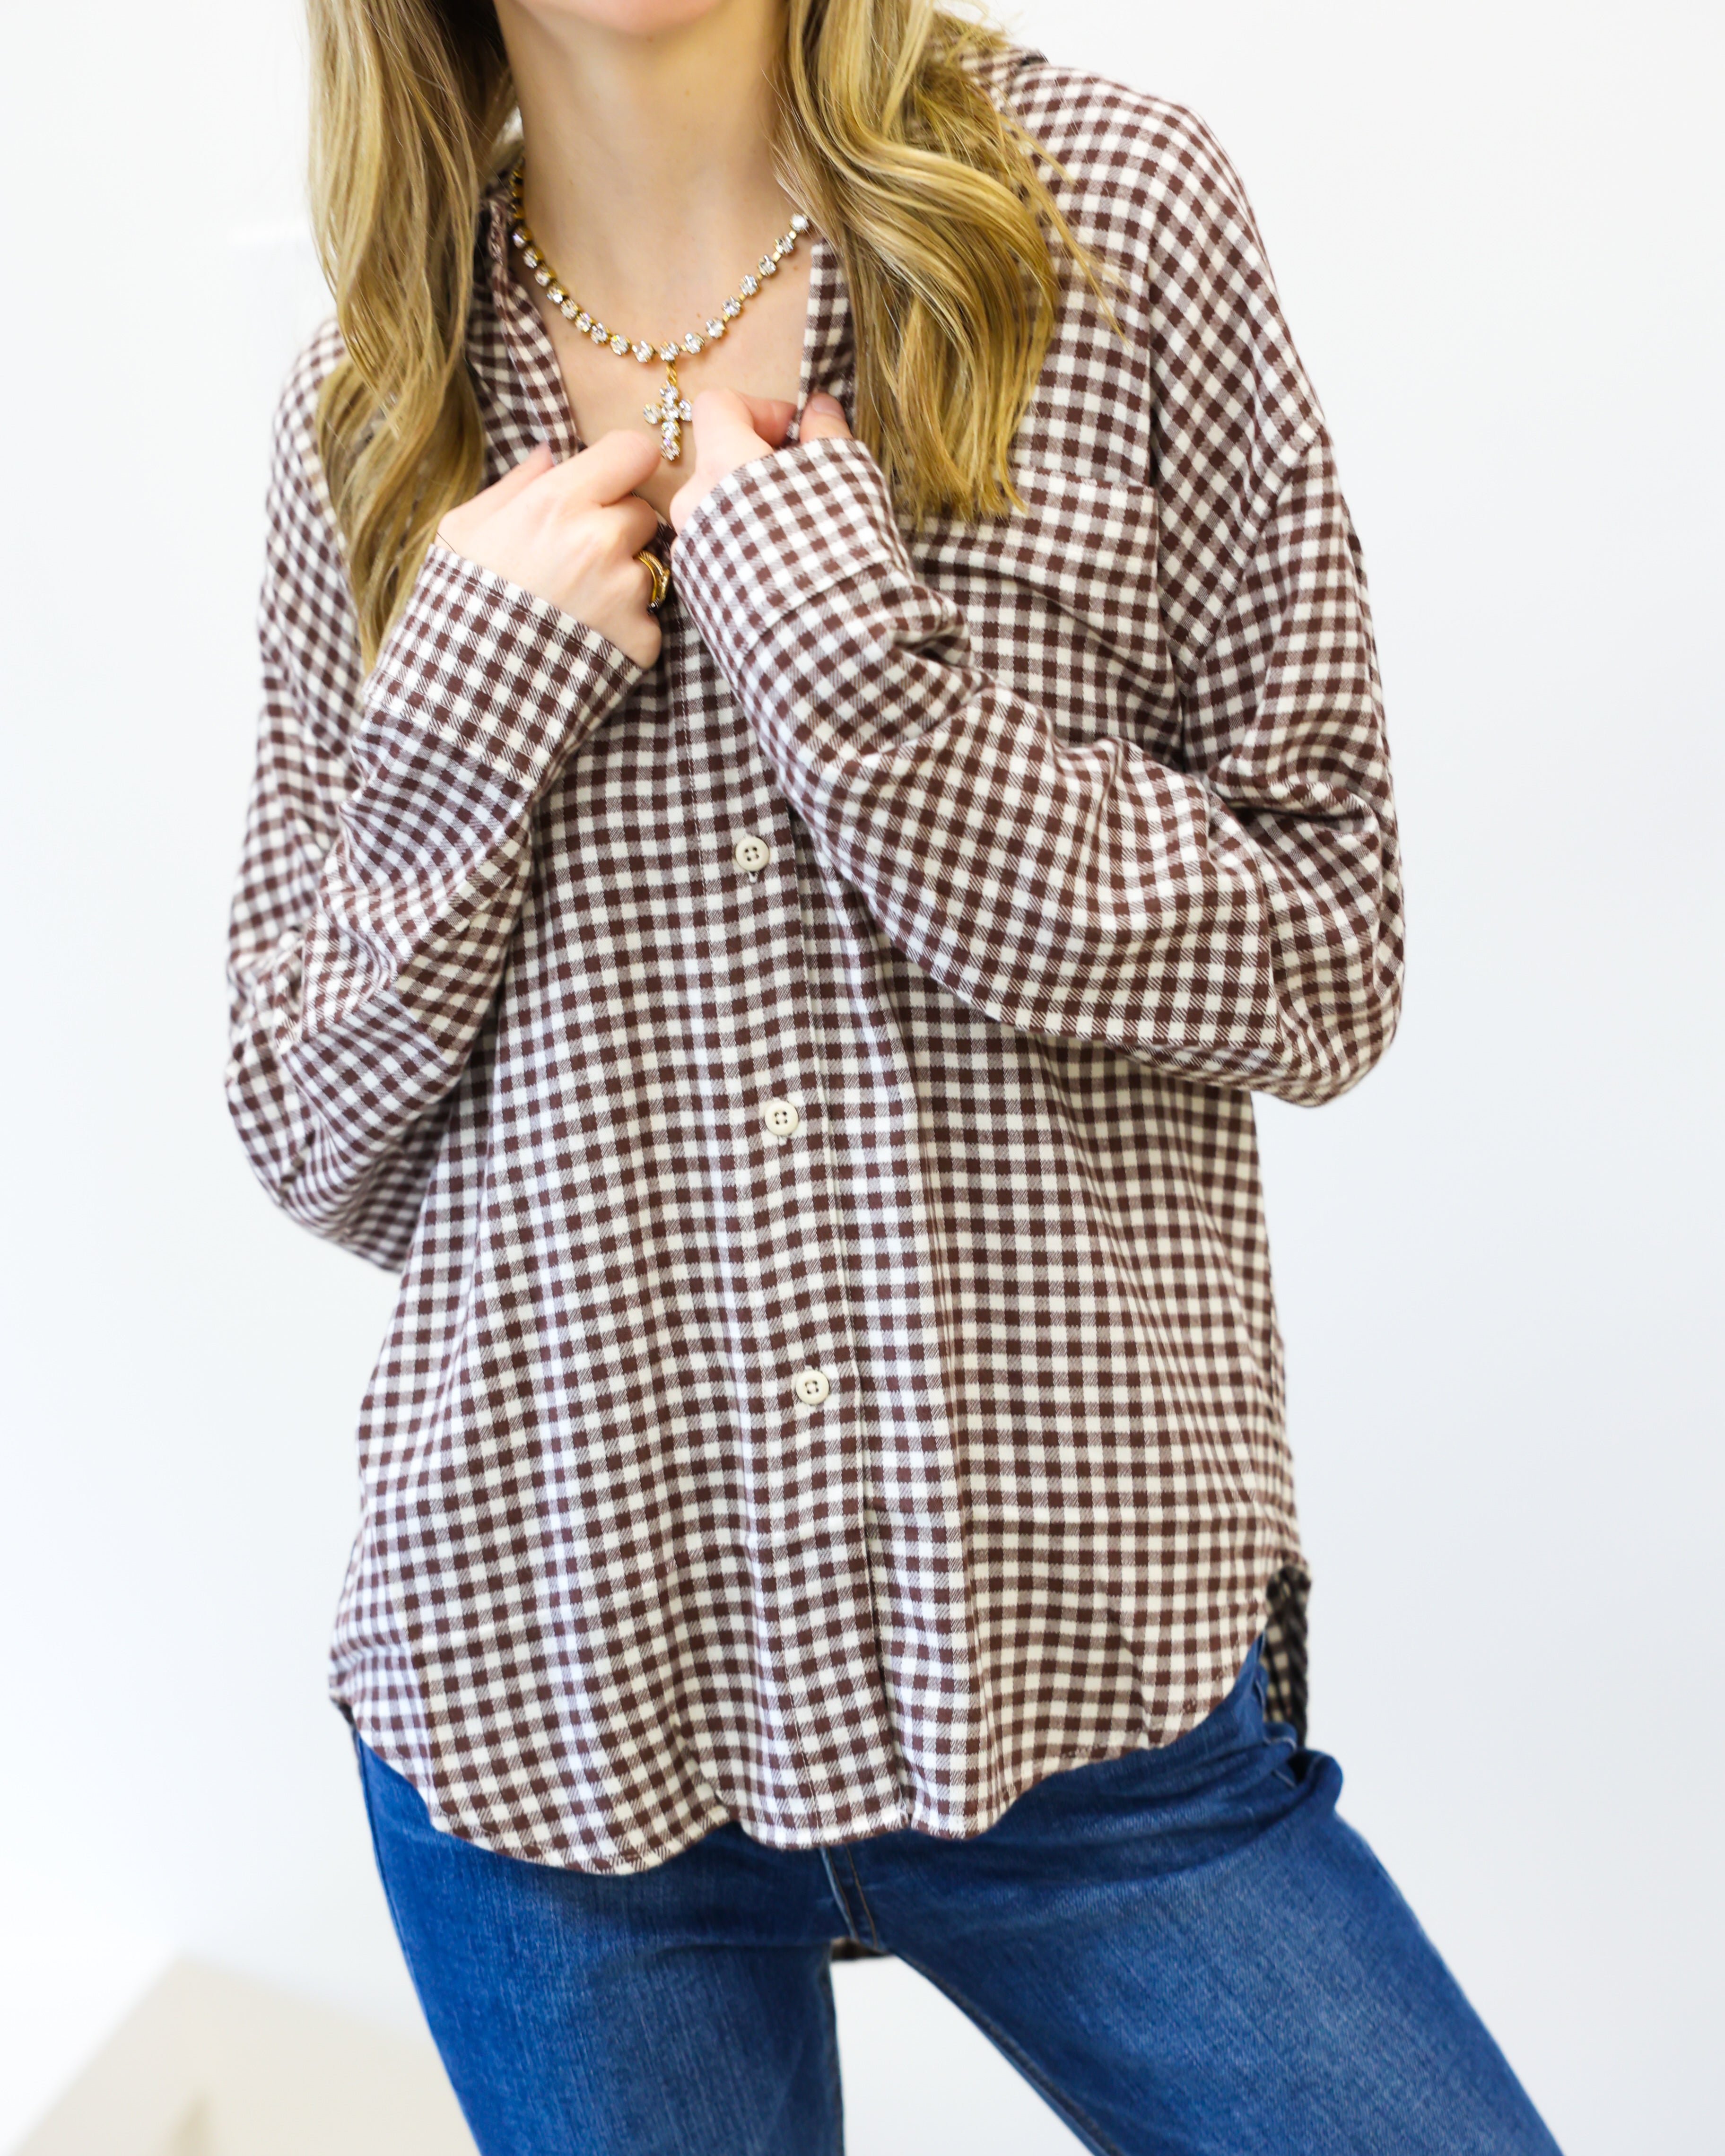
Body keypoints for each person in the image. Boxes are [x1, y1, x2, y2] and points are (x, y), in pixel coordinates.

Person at [223, 0, 1562, 2147]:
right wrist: (462, 738)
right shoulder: (365, 406)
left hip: (1085, 1684)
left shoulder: (1105, 221)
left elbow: (1328, 955)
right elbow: (306, 1122)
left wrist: (874, 705)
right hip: (550, 1715)